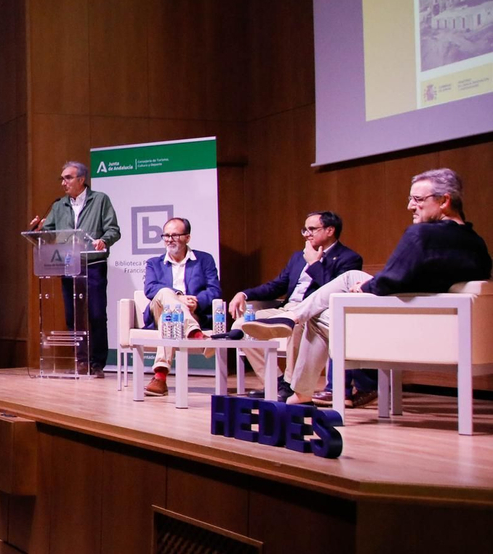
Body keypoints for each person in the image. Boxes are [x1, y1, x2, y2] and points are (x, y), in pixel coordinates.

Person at [242, 168, 492, 404]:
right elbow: (417, 278)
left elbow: (391, 280)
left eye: (417, 199)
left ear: (444, 200)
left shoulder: (422, 235)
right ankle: (293, 316)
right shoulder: (476, 243)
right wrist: (368, 284)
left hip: (399, 325)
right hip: (435, 318)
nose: (410, 206)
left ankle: (299, 375)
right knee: (351, 276)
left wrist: (365, 289)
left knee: (318, 316)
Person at [226, 211, 364, 401]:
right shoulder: (298, 257)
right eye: (304, 230)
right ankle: (275, 382)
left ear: (330, 230)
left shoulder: (348, 258)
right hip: (286, 308)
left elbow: (333, 293)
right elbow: (277, 285)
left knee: (299, 323)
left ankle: (292, 386)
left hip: (313, 314)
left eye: (312, 229)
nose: (307, 234)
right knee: (241, 325)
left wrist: (315, 263)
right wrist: (244, 293)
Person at [28, 160, 121, 377]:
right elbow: (47, 233)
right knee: (73, 316)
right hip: (69, 266)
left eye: (68, 178)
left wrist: (104, 241)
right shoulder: (59, 205)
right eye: (62, 178)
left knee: (96, 315)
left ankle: (97, 363)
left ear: (81, 180)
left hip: (93, 264)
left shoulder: (100, 200)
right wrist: (37, 228)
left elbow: (113, 229)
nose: (63, 182)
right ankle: (81, 360)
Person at [140, 217, 221, 397]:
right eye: (166, 235)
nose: (169, 239)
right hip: (159, 308)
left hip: (192, 313)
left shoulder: (204, 260)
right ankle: (196, 335)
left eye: (175, 235)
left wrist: (196, 302)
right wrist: (180, 298)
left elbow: (214, 290)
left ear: (187, 238)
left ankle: (160, 378)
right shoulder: (154, 262)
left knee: (169, 317)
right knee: (164, 293)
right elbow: (150, 289)